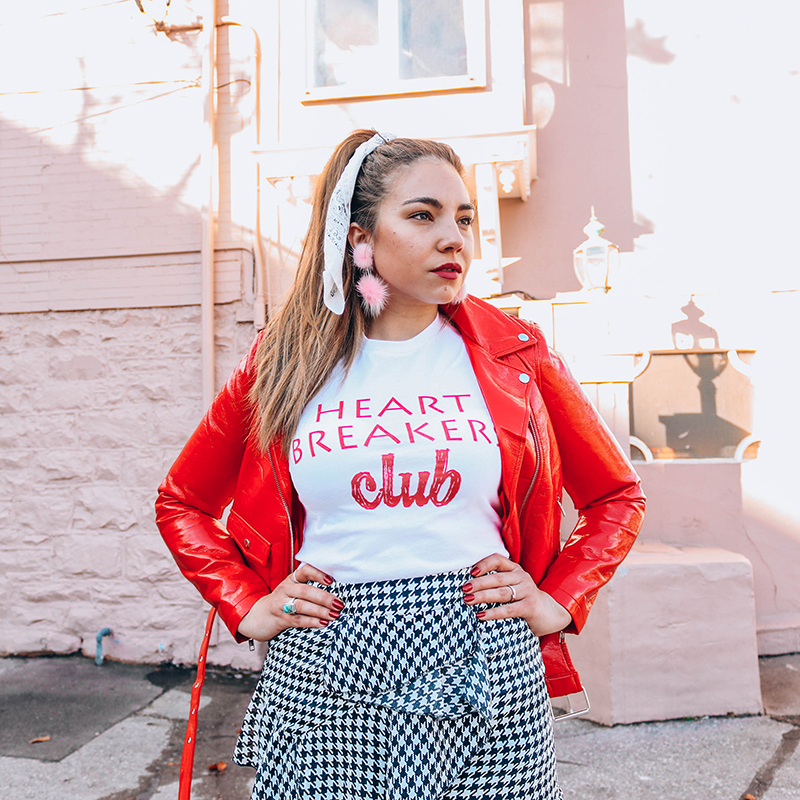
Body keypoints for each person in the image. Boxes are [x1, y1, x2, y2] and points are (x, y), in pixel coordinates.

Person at [156, 130, 645, 800]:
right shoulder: (283, 360)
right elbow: (182, 502)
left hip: (482, 651)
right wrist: (247, 605)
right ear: (359, 238)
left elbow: (616, 496)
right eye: (423, 215)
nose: (455, 239)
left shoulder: (516, 355)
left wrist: (558, 599)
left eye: (464, 218)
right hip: (326, 654)